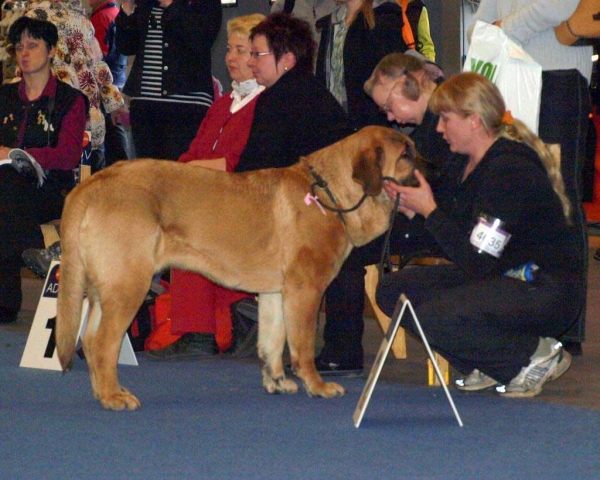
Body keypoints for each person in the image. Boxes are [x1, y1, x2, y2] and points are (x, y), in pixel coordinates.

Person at [376, 72, 582, 398]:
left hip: (541, 285)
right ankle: (489, 362)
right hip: (499, 272)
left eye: (445, 119)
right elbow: (458, 240)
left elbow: (476, 260)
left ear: (473, 120)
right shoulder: (464, 164)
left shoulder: (508, 170)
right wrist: (417, 213)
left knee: (434, 315)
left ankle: (531, 356)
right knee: (393, 292)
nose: (439, 128)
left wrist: (430, 212)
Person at [471, 0, 593, 356]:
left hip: (557, 77)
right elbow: (478, 26)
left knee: (560, 196)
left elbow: (559, 5)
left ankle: (567, 322)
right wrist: (491, 32)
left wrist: (504, 29)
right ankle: (523, 313)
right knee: (516, 196)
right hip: (510, 77)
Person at [313, 51, 447, 376]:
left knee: (345, 250)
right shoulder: (434, 118)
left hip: (440, 224)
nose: (389, 117)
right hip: (427, 218)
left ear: (407, 84)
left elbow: (437, 188)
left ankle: (342, 353)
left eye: (389, 106)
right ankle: (339, 351)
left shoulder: (444, 121)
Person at [146, 13, 266, 360]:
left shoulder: (263, 105)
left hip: (241, 203)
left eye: (241, 50)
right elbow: (192, 153)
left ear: (258, 56)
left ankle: (197, 332)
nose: (230, 57)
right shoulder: (222, 104)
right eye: (229, 49)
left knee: (189, 228)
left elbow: (239, 165)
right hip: (204, 195)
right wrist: (181, 171)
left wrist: (186, 171)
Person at [0, 17, 88, 323]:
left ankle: (6, 299)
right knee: (7, 187)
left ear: (51, 51)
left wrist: (16, 154)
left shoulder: (71, 100)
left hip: (51, 190)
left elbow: (67, 157)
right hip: (10, 191)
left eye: (33, 45)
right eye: (19, 47)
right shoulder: (5, 96)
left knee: (7, 187)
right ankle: (31, 249)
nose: (24, 53)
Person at [234, 12, 350, 173]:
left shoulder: (278, 98)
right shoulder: (312, 90)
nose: (250, 61)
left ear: (288, 60)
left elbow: (254, 171)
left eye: (257, 54)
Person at [23, 0, 125, 171]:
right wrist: (113, 104)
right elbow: (98, 65)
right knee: (88, 184)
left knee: (54, 186)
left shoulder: (33, 18)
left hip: (51, 121)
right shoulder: (80, 19)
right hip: (87, 119)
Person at [115, 0, 222, 160]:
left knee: (178, 177)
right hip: (145, 105)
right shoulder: (146, 3)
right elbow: (127, 46)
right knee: (148, 178)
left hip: (187, 105)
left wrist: (171, 4)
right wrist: (127, 8)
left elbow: (201, 40)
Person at [315, 0, 407, 131]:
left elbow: (392, 80)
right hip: (336, 127)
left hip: (371, 128)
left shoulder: (382, 20)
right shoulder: (331, 23)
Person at [89, 0, 130, 166]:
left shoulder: (101, 17)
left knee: (111, 139)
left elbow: (96, 60)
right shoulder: (115, 13)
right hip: (118, 80)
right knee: (116, 132)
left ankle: (121, 174)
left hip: (105, 87)